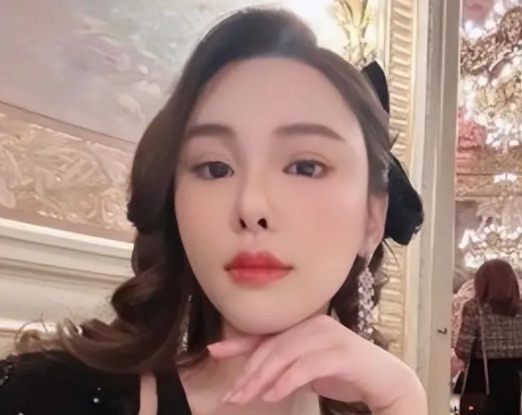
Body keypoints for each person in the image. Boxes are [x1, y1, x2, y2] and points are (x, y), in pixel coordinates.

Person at [0, 8, 426, 415]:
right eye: (215, 168)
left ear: (373, 219)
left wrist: (405, 401)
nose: (251, 206)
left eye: (305, 167)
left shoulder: (386, 405)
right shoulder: (45, 398)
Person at [455, 258, 522, 415]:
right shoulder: (519, 309)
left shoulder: (474, 308)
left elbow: (463, 350)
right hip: (513, 378)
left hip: (481, 378)